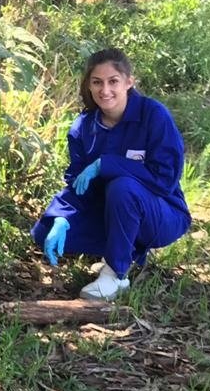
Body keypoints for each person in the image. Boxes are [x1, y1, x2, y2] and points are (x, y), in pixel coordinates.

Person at [31, 48, 191, 300]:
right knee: (43, 232)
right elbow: (78, 182)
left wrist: (108, 164)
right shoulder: (83, 127)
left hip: (163, 212)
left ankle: (116, 273)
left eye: (113, 81)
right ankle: (121, 250)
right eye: (97, 82)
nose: (105, 90)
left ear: (129, 82)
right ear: (89, 86)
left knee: (123, 187)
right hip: (111, 210)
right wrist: (61, 216)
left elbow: (165, 179)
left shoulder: (153, 115)